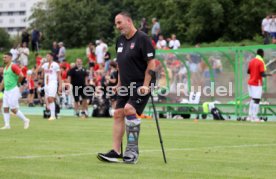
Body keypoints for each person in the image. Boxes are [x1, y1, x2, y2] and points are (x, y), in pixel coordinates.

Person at [97, 12, 156, 164]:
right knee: (117, 113)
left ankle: (132, 151)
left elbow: (151, 63)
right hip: (125, 84)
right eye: (116, 24)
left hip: (141, 83)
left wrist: (145, 85)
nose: (117, 26)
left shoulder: (143, 39)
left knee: (129, 109)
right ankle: (116, 152)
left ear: (129, 21)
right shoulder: (120, 41)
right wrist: (118, 84)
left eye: (119, 22)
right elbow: (121, 65)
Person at [0, 53, 30, 130]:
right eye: (3, 57)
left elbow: (21, 75)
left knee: (13, 109)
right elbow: (4, 80)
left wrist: (18, 82)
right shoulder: (5, 68)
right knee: (5, 108)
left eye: (5, 57)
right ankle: (7, 125)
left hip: (13, 90)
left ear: (10, 58)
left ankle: (25, 120)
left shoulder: (13, 66)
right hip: (6, 90)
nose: (4, 59)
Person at [247, 49, 271, 122]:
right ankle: (254, 117)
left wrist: (254, 72)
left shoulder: (251, 61)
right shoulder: (260, 62)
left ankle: (250, 116)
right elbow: (262, 74)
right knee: (257, 100)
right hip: (257, 83)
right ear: (262, 53)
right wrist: (268, 74)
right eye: (263, 54)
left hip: (250, 83)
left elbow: (248, 71)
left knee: (252, 99)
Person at [37, 53, 62, 120]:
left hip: (53, 83)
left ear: (51, 57)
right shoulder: (45, 65)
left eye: (48, 56)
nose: (46, 57)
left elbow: (59, 75)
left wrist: (60, 85)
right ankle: (52, 115)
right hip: (46, 84)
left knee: (51, 98)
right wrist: (41, 63)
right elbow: (38, 70)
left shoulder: (55, 64)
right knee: (48, 99)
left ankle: (53, 115)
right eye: (46, 56)